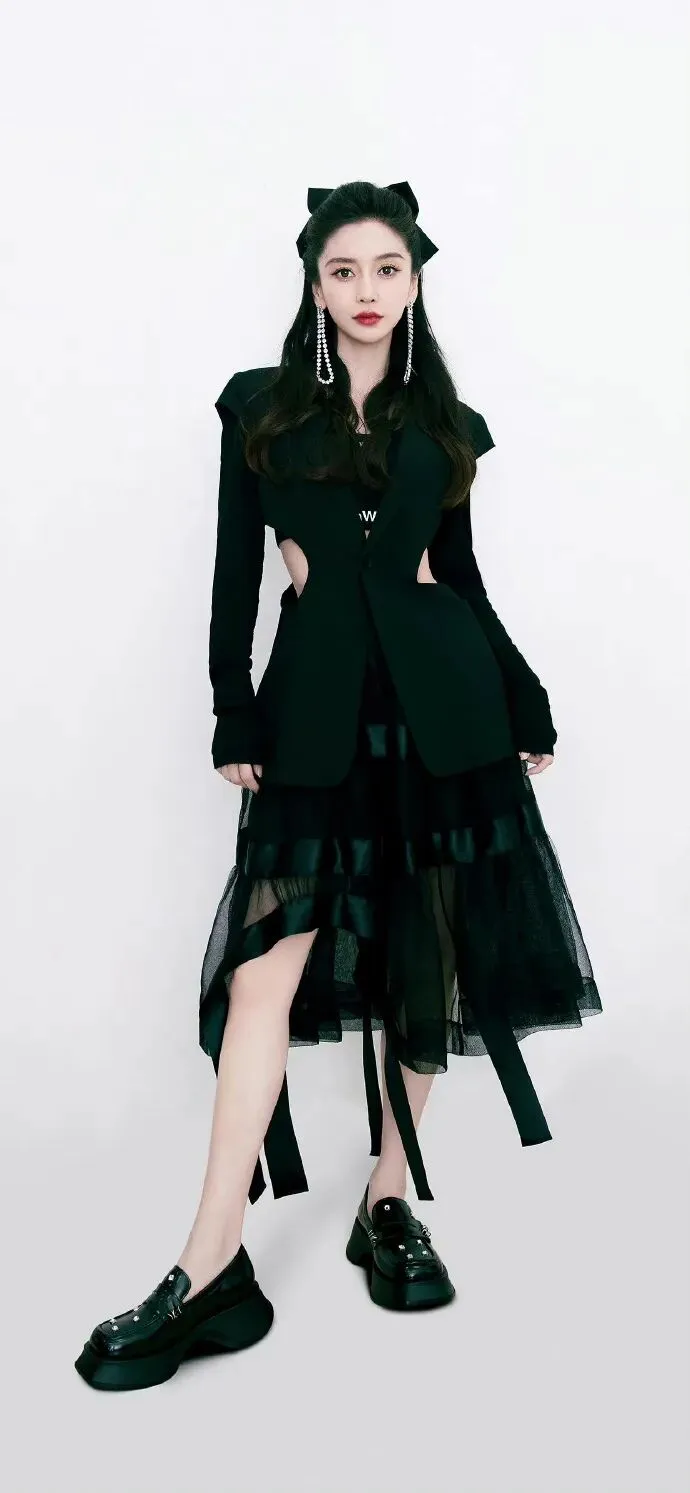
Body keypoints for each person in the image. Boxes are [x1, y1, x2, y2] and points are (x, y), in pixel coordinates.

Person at [75, 179, 602, 1392]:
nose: (367, 291)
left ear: (415, 282)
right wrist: (232, 704)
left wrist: (523, 694)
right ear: (315, 284)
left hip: (443, 713)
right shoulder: (261, 409)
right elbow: (234, 573)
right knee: (264, 973)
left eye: (388, 269)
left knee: (431, 953)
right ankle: (211, 1262)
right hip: (316, 711)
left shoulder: (445, 424)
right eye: (344, 270)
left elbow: (460, 578)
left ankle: (387, 1198)